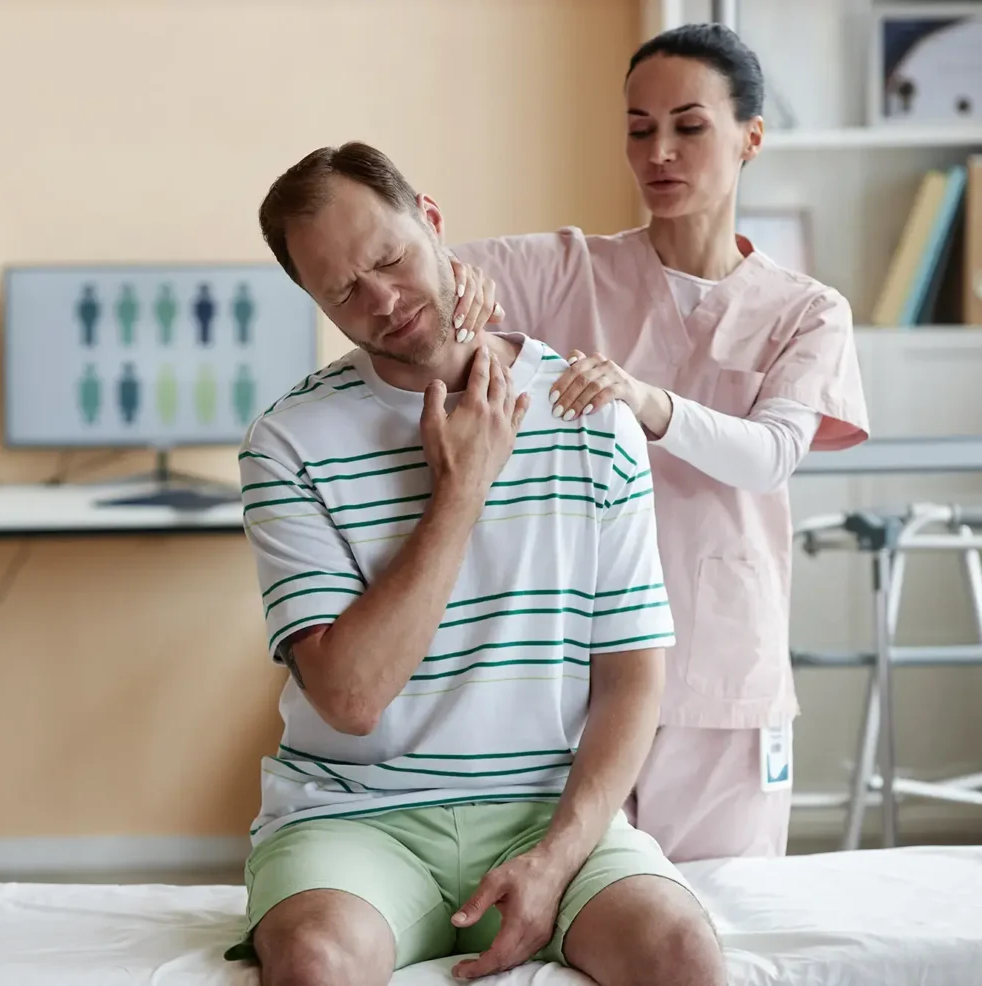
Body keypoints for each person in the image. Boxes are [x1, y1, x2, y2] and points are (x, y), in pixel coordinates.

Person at [229, 140, 727, 986]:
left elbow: (634, 675)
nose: (384, 300)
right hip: (355, 820)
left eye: (391, 258)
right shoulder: (287, 443)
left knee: (683, 954)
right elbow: (349, 699)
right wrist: (458, 493)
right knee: (315, 963)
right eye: (344, 289)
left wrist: (558, 857)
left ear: (430, 220)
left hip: (548, 811)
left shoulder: (590, 416)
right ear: (316, 300)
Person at [447, 23, 870, 863]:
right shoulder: (568, 271)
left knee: (725, 928)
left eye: (688, 125)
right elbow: (421, 274)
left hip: (724, 680)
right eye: (639, 129)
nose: (659, 151)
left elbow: (771, 454)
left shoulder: (807, 310)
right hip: (579, 677)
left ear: (751, 136)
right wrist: (456, 278)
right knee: (581, 925)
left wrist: (646, 400)